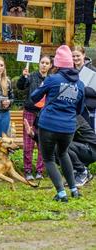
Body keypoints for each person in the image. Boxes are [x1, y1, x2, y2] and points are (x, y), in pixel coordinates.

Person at [31, 45, 85, 202]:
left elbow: (34, 97)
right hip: (68, 127)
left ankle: (61, 193)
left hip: (48, 125)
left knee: (48, 158)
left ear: (58, 64)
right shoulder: (80, 85)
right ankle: (74, 189)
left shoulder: (52, 79)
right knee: (63, 153)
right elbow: (79, 109)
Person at [24, 115, 95, 187]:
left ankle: (82, 172)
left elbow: (60, 136)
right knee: (52, 149)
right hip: (79, 148)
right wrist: (33, 135)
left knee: (60, 145)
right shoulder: (58, 117)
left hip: (91, 149)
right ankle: (75, 173)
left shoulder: (72, 116)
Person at [17, 55, 52, 181]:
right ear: (39, 64)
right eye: (42, 62)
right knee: (28, 143)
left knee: (42, 142)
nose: (44, 65)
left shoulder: (51, 79)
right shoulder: (31, 76)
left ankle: (39, 170)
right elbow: (20, 86)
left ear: (50, 66)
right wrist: (23, 77)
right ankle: (27, 170)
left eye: (47, 63)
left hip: (44, 114)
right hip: (30, 112)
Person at [71, 46, 96, 132]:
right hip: (73, 110)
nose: (75, 58)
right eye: (73, 56)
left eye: (78, 56)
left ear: (84, 55)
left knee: (90, 136)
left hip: (89, 110)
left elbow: (94, 92)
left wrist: (81, 88)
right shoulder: (69, 71)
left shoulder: (93, 70)